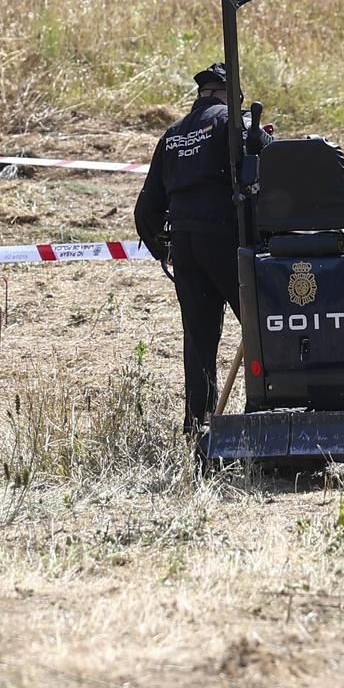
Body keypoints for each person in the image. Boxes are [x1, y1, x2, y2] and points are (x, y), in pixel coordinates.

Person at [135, 63, 242, 433]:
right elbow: (269, 168)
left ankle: (197, 426)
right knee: (263, 328)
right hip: (226, 240)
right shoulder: (231, 122)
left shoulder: (173, 134)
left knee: (198, 339)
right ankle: (270, 413)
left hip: (185, 245)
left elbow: (145, 209)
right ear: (230, 92)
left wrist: (163, 251)